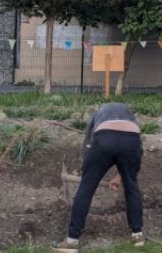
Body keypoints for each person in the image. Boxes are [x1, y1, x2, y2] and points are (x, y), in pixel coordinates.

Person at [53, 102, 145, 252]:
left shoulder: (99, 113)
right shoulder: (131, 117)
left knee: (86, 189)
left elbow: (87, 143)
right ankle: (137, 237)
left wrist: (85, 170)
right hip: (131, 140)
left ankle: (71, 242)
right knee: (131, 187)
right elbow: (137, 149)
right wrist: (120, 177)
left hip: (104, 138)